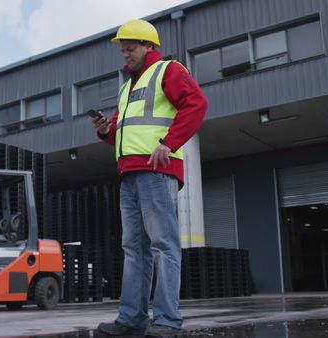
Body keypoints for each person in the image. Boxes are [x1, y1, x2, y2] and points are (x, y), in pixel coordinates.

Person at [92, 19, 207, 337]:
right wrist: (106, 131)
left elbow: (196, 104)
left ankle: (168, 320)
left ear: (148, 47)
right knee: (134, 248)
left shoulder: (167, 71)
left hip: (156, 173)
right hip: (129, 174)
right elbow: (122, 131)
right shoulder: (127, 86)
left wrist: (169, 144)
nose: (125, 55)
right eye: (123, 50)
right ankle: (132, 319)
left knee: (162, 245)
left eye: (130, 49)